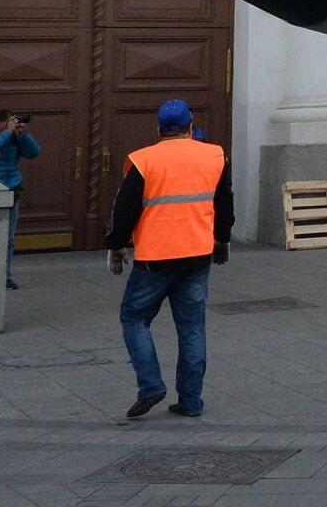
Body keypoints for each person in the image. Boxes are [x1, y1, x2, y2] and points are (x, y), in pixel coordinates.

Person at [107, 100, 232, 420]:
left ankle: (150, 386)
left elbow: (124, 210)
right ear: (191, 127)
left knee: (134, 318)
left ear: (159, 129)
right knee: (192, 328)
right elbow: (224, 204)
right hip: (197, 256)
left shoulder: (143, 160)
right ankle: (191, 401)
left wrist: (118, 245)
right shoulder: (215, 155)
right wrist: (222, 241)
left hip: (154, 258)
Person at [0, 110, 40, 289]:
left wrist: (24, 134)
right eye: (9, 121)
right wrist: (6, 134)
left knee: (9, 238)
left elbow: (34, 152)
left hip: (12, 190)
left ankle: (5, 276)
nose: (13, 124)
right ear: (0, 123)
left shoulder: (15, 139)